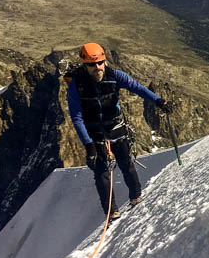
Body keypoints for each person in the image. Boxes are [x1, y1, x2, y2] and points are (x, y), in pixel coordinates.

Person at [65, 43, 171, 220]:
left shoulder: (114, 76)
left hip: (115, 129)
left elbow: (137, 88)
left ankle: (136, 196)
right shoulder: (76, 85)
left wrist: (158, 101)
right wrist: (89, 145)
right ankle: (111, 212)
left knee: (126, 164)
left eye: (100, 63)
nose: (97, 67)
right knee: (102, 175)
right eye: (92, 65)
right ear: (85, 65)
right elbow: (76, 117)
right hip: (95, 135)